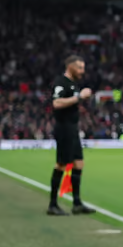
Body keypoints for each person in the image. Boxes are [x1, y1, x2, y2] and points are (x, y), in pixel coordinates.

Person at [47, 55, 97, 216]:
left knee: (79, 164)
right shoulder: (61, 82)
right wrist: (79, 97)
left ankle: (77, 203)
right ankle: (52, 205)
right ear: (70, 67)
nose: (83, 71)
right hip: (64, 129)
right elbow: (56, 103)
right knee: (61, 164)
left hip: (73, 128)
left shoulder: (73, 84)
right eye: (80, 68)